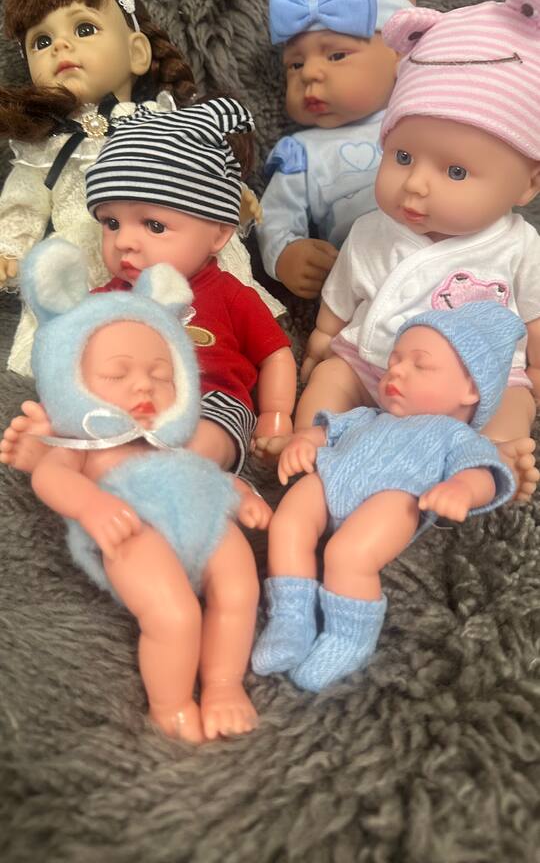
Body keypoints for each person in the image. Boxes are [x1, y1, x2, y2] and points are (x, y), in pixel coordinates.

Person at [293, 0, 540, 497]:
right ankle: (309, 443)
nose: (416, 185)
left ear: (528, 184)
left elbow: (534, 316)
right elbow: (341, 297)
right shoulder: (372, 230)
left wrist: (536, 371)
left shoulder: (520, 246)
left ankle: (492, 457)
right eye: (402, 157)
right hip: (375, 364)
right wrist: (321, 341)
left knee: (514, 398)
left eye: (456, 172)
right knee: (332, 379)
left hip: (475, 384)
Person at [17, 238, 268, 743]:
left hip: (205, 519)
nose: (145, 386)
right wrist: (92, 504)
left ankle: (223, 687)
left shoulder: (171, 440)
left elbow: (198, 472)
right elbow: (51, 476)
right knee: (175, 615)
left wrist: (240, 492)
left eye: (161, 374)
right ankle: (171, 705)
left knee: (240, 590)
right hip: (132, 529)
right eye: (117, 373)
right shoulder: (87, 444)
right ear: (68, 379)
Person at [0, 0, 283, 376]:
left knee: (208, 318)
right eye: (41, 41)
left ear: (137, 52)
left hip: (175, 257)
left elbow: (198, 172)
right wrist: (9, 250)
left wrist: (230, 196)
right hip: (90, 266)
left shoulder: (164, 122)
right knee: (86, 351)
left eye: (83, 29)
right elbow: (22, 203)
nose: (60, 46)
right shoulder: (44, 149)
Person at [2, 97, 297, 475]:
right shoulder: (106, 302)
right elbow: (72, 357)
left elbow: (276, 354)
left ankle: (173, 468)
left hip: (210, 400)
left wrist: (275, 415)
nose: (124, 241)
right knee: (89, 415)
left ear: (219, 233)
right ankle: (93, 463)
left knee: (214, 431)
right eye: (111, 223)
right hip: (127, 402)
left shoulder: (231, 295)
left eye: (154, 225)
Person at [252, 302, 523, 692]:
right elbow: (326, 432)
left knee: (349, 554)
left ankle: (349, 636)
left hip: (397, 495)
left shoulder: (455, 436)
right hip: (331, 475)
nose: (396, 371)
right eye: (394, 361)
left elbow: (483, 471)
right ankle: (291, 618)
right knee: (288, 522)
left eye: (420, 365)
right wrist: (304, 444)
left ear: (470, 389)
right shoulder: (368, 415)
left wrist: (462, 489)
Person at [256, 0, 415, 298]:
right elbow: (274, 216)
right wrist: (286, 254)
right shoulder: (304, 153)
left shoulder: (429, 116)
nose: (310, 73)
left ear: (401, 56)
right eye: (295, 64)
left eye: (336, 55)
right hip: (371, 291)